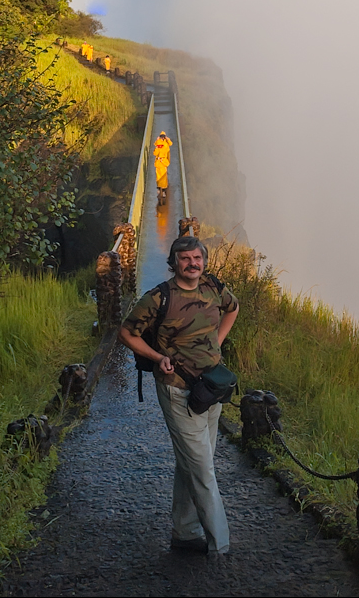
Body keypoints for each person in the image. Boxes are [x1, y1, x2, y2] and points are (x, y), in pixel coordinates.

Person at [118, 237, 239, 554]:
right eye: (185, 259)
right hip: (177, 389)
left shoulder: (213, 288)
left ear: (204, 260)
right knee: (202, 470)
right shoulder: (159, 297)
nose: (192, 263)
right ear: (174, 263)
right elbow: (126, 332)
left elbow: (233, 308)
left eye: (197, 257)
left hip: (211, 387)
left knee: (196, 463)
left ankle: (185, 533)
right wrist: (158, 358)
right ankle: (220, 547)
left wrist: (217, 343)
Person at [153, 133, 173, 203]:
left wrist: (167, 139)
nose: (162, 138)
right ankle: (159, 189)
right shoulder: (158, 144)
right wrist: (157, 144)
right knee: (158, 177)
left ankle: (163, 190)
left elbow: (170, 145)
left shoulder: (166, 144)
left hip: (163, 162)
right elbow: (155, 153)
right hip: (158, 163)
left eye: (163, 137)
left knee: (164, 177)